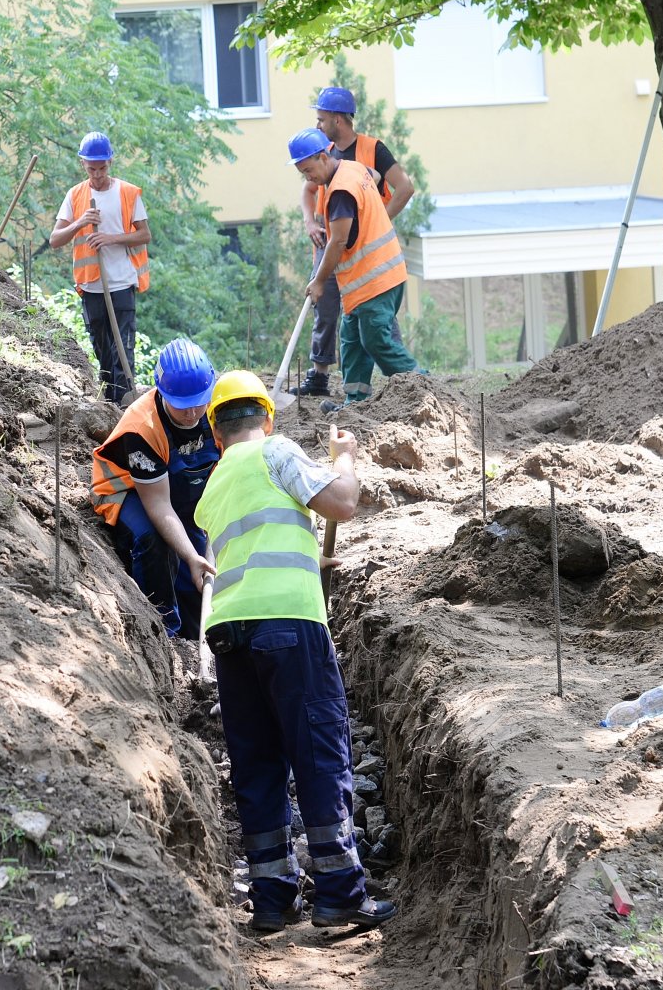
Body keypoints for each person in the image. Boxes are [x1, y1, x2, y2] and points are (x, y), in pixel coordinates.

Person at [193, 370, 397, 933]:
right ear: (267, 418)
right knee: (319, 753)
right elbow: (344, 503)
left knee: (257, 766)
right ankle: (338, 894)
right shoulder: (275, 452)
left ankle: (272, 900)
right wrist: (345, 457)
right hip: (290, 625)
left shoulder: (214, 486)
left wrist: (312, 558)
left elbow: (256, 548)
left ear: (215, 432)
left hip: (231, 634)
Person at [88, 339, 220, 641]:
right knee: (156, 542)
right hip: (128, 490)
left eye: (200, 402)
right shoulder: (142, 428)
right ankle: (164, 633)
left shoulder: (215, 409)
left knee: (198, 578)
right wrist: (189, 554)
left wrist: (199, 551)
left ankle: (199, 635)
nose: (192, 413)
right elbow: (159, 506)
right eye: (182, 405)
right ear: (161, 391)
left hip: (181, 488)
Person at [292, 128, 423, 411]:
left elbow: (337, 241)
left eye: (309, 169)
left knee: (376, 340)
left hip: (377, 278)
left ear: (323, 156)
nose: (308, 178)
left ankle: (423, 388)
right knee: (351, 341)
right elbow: (375, 178)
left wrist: (318, 281)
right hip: (361, 283)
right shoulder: (352, 168)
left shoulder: (340, 191)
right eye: (302, 173)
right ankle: (356, 402)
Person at [49, 132, 151, 405]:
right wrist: (81, 222)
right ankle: (109, 400)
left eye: (102, 168)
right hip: (92, 286)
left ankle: (124, 402)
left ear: (110, 162)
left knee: (123, 348)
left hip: (122, 283)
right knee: (102, 350)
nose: (97, 175)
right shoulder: (75, 195)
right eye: (91, 169)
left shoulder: (128, 193)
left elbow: (144, 235)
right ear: (83, 164)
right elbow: (55, 240)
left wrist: (111, 238)